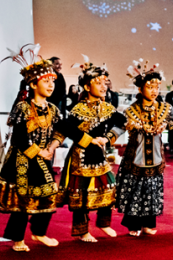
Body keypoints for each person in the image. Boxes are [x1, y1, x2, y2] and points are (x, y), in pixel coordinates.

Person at [0, 45, 64, 252]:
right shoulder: (23, 107)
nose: (51, 85)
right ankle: (18, 238)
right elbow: (19, 138)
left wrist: (53, 146)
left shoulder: (53, 109)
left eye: (52, 81)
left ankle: (39, 232)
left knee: (49, 193)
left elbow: (61, 131)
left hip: (43, 159)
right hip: (22, 160)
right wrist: (40, 151)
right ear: (33, 84)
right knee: (22, 199)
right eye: (46, 81)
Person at [56, 57, 126, 242]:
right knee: (81, 194)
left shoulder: (107, 108)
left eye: (105, 83)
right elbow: (64, 126)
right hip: (81, 157)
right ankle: (82, 231)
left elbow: (122, 122)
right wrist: (88, 139)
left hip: (99, 156)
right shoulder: (79, 108)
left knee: (110, 186)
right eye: (99, 83)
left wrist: (107, 138)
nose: (104, 87)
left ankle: (104, 223)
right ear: (87, 87)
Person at [115, 61, 173, 237]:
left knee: (152, 191)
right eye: (150, 87)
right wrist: (108, 138)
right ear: (140, 89)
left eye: (156, 87)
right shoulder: (132, 110)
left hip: (155, 158)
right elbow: (120, 127)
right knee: (135, 190)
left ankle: (149, 223)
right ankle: (133, 224)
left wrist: (167, 124)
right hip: (136, 157)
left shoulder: (164, 109)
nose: (154, 91)